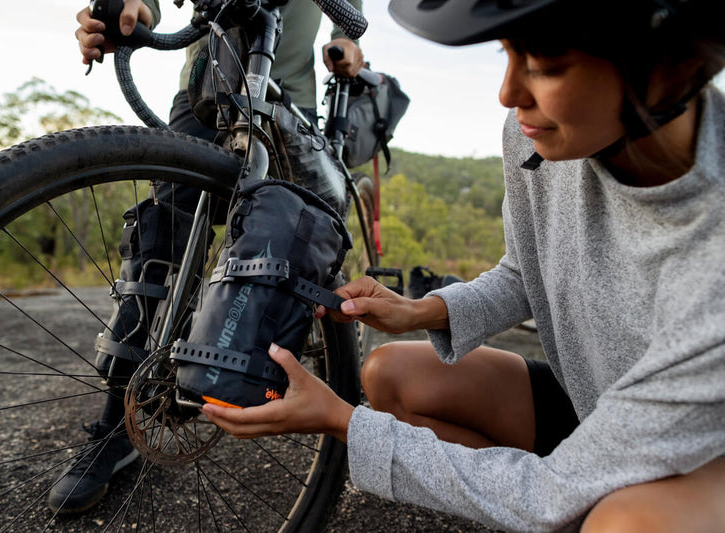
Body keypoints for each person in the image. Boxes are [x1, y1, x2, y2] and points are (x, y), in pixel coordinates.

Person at [201, 0, 725, 531]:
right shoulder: (535, 138)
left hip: (697, 458)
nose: (508, 93)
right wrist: (418, 312)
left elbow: (550, 491)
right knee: (390, 374)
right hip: (593, 406)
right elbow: (525, 273)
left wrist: (341, 421)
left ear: (665, 70)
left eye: (543, 64)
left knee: (630, 523)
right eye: (506, 54)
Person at [49, 0, 364, 514]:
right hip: (205, 83)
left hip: (289, 95)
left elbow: (349, 7)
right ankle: (116, 424)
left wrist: (348, 38)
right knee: (164, 228)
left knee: (289, 241)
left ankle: (306, 360)